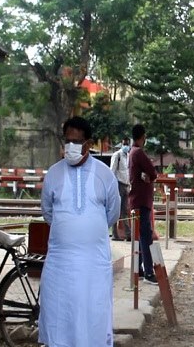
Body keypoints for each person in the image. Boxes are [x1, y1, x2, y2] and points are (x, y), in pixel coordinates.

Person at [39, 116, 121, 347]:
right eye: (67, 141)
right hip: (60, 263)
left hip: (93, 262)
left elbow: (112, 213)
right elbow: (48, 213)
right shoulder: (53, 174)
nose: (71, 147)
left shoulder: (105, 175)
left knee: (92, 313)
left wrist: (87, 230)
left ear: (88, 144)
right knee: (59, 315)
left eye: (76, 142)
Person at [128, 124, 159, 285]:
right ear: (143, 136)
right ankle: (148, 271)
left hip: (136, 199)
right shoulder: (139, 152)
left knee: (140, 236)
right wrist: (150, 176)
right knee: (146, 237)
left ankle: (139, 268)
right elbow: (153, 172)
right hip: (142, 200)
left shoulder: (131, 152)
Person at [110, 137, 131, 241]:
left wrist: (129, 185)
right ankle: (115, 234)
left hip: (126, 185)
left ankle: (128, 234)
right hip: (118, 184)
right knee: (116, 210)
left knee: (124, 211)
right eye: (124, 144)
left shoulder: (128, 156)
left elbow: (127, 172)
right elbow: (112, 171)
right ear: (121, 144)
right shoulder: (117, 155)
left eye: (127, 144)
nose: (126, 146)